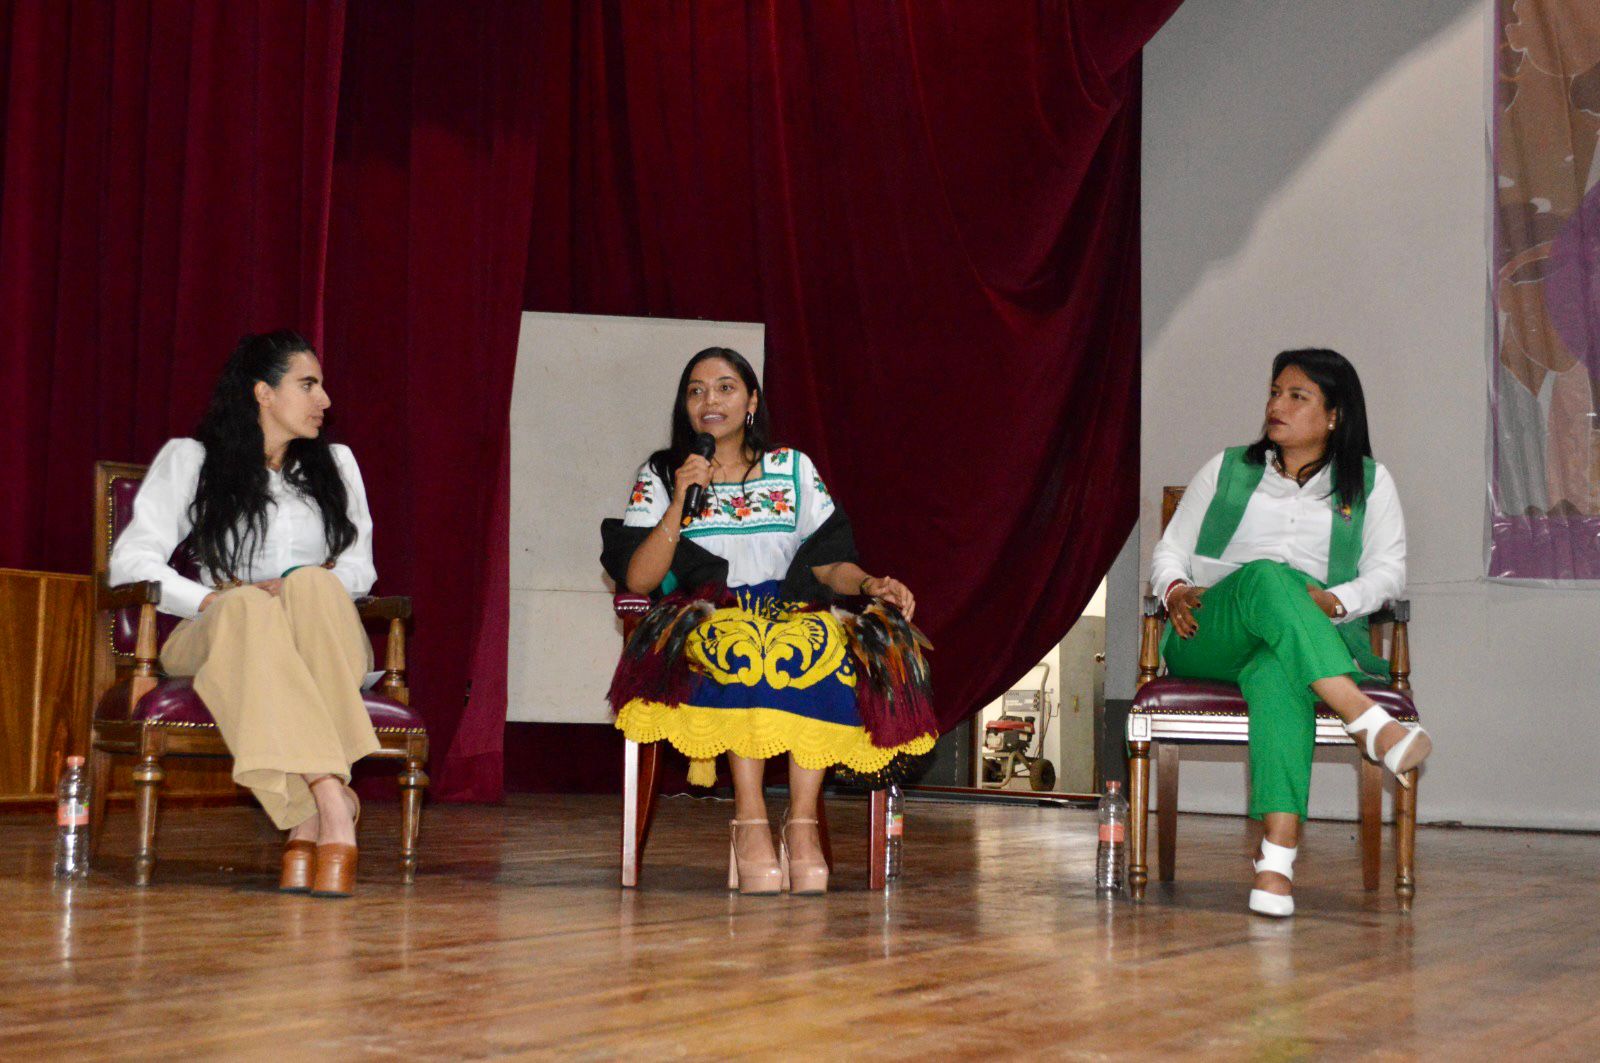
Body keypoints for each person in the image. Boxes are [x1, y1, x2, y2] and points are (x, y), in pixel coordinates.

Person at [601, 347, 937, 895]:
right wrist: (680, 500)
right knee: (744, 644)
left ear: (752, 401)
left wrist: (870, 584)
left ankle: (801, 822)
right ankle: (751, 818)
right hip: (706, 613)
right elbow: (639, 578)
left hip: (788, 608)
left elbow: (829, 562)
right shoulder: (662, 473)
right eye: (696, 390)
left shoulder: (793, 469)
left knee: (823, 643)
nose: (709, 400)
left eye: (725, 387)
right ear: (685, 406)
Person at [1151, 348, 1432, 917]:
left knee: (1280, 671)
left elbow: (1388, 572)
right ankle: (1366, 720)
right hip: (1210, 628)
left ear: (1334, 416)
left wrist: (1337, 600)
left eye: (1297, 396)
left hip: (1304, 634)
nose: (1277, 405)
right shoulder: (1228, 469)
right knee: (1266, 575)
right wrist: (1175, 589)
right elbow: (1170, 550)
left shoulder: (1369, 484)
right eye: (1275, 392)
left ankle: (1276, 864)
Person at [109, 330, 379, 898]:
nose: (325, 400)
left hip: (320, 632)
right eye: (308, 385)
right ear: (263, 392)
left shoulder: (337, 465)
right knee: (248, 610)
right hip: (218, 632)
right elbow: (131, 562)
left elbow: (359, 569)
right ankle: (332, 797)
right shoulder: (193, 461)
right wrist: (212, 599)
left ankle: (306, 820)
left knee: (312, 585)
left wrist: (294, 584)